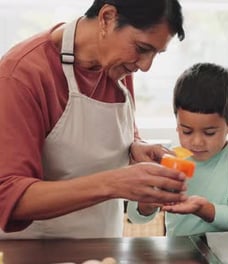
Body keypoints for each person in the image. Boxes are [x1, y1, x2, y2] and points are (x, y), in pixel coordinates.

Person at [0, 0, 188, 239]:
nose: (145, 65)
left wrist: (135, 147)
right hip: (33, 252)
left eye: (155, 54)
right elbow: (7, 196)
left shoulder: (117, 66)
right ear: (107, 18)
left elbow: (121, 132)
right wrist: (112, 183)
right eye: (142, 48)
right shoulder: (21, 75)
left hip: (102, 247)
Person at [127, 62, 228, 236]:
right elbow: (135, 217)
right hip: (177, 254)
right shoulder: (169, 157)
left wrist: (202, 209)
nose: (197, 142)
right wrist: (147, 204)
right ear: (177, 125)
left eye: (209, 133)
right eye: (186, 131)